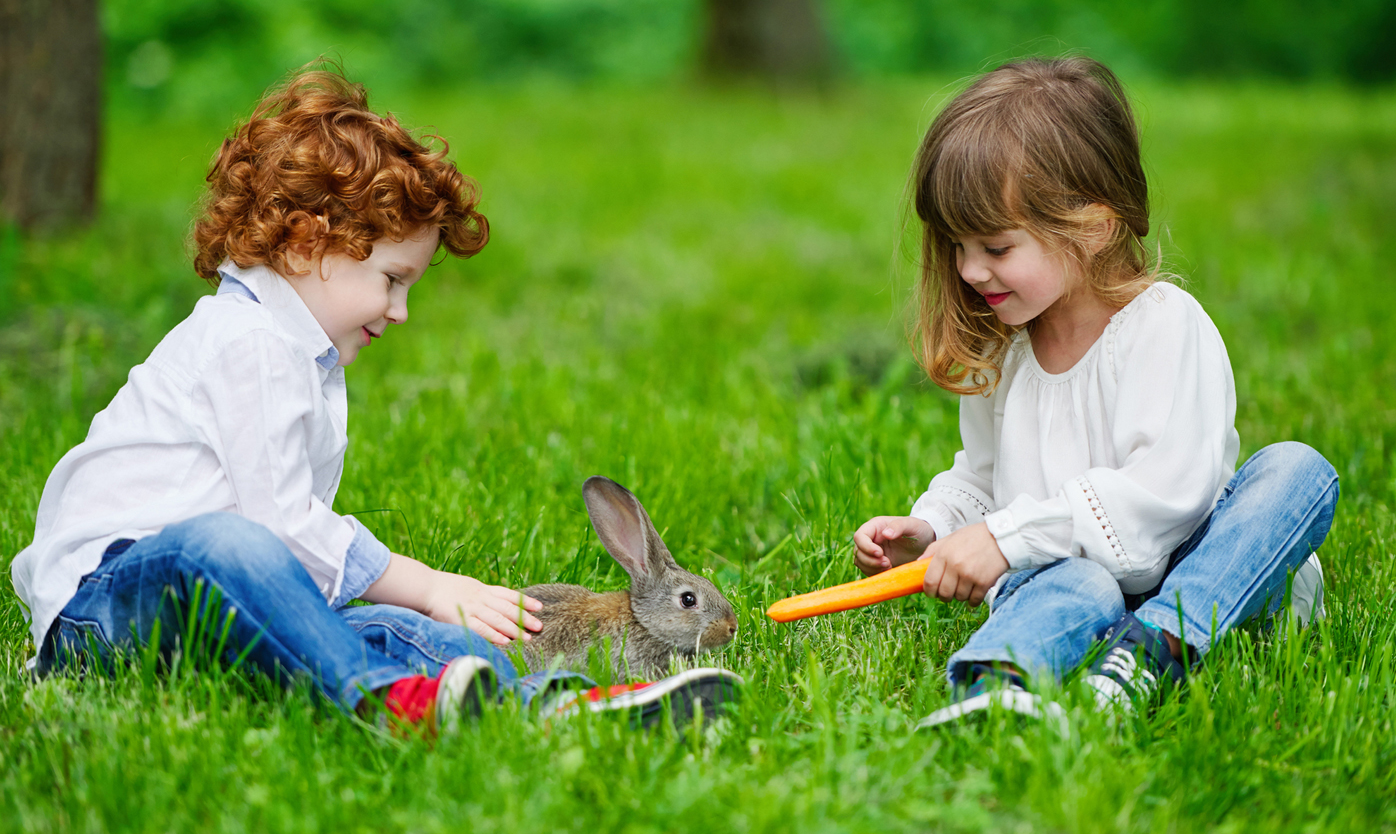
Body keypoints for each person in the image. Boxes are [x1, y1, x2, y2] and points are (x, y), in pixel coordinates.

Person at [11, 63, 740, 733]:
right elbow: (278, 528)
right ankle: (380, 701)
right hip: (109, 611)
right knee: (233, 545)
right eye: (391, 280)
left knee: (437, 638)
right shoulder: (249, 343)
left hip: (220, 619)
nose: (400, 311)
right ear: (303, 246)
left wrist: (422, 610)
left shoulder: (303, 357)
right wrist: (422, 582)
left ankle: (554, 707)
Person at [851, 56, 1338, 727]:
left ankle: (1158, 643)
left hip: (1192, 566)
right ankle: (995, 685)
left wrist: (1008, 537)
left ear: (1093, 227)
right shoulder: (1005, 345)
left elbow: (1168, 495)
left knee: (1297, 472)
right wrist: (936, 528)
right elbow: (986, 483)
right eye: (957, 246)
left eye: (995, 247)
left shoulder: (1165, 327)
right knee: (1076, 582)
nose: (968, 270)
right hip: (1064, 575)